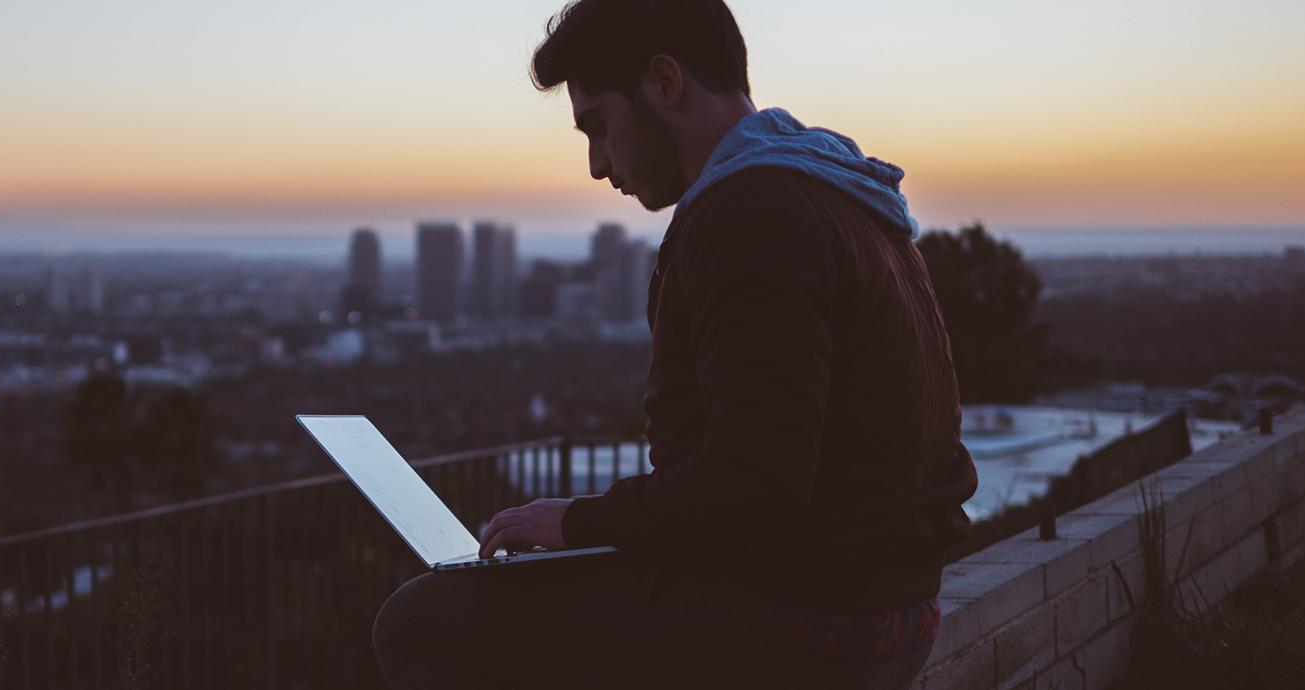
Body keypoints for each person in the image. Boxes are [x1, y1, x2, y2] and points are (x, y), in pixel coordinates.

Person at [370, 1, 980, 688]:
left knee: (421, 622)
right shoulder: (840, 192)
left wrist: (576, 521)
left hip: (809, 624)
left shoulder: (752, 213)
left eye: (598, 126)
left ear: (664, 82)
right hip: (886, 603)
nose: (598, 165)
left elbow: (755, 486)